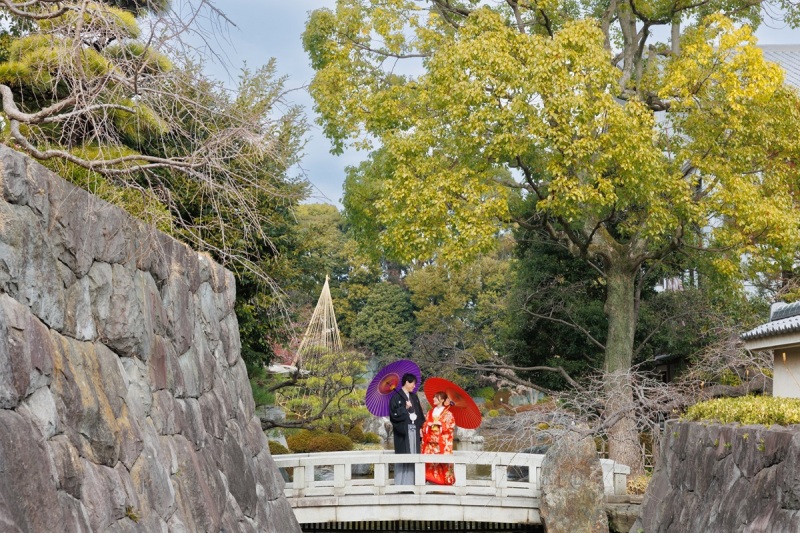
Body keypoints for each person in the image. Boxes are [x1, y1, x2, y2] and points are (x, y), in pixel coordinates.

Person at [389, 373, 424, 485]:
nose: (414, 386)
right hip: (403, 432)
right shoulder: (396, 397)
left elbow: (419, 413)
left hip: (414, 430)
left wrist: (420, 427)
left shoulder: (414, 397)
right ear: (407, 382)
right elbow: (393, 415)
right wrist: (405, 408)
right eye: (413, 384)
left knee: (414, 454)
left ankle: (414, 482)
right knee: (404, 456)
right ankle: (402, 483)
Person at [421, 391, 456, 485]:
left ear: (442, 400)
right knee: (429, 462)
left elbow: (450, 426)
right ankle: (431, 481)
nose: (434, 399)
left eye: (436, 398)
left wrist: (441, 424)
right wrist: (428, 425)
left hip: (441, 443)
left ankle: (443, 483)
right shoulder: (430, 412)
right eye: (434, 397)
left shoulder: (448, 413)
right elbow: (424, 425)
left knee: (442, 462)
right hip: (430, 443)